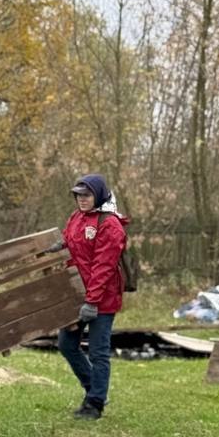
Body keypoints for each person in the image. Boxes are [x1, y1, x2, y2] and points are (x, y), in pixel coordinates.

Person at [57, 173, 129, 420]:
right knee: (66, 344)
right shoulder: (76, 217)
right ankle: (94, 389)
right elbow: (71, 244)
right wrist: (60, 245)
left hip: (102, 299)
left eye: (86, 195)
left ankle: (95, 404)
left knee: (98, 351)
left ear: (98, 195)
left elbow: (103, 267)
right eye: (78, 195)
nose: (82, 199)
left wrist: (92, 301)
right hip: (77, 295)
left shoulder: (110, 224)